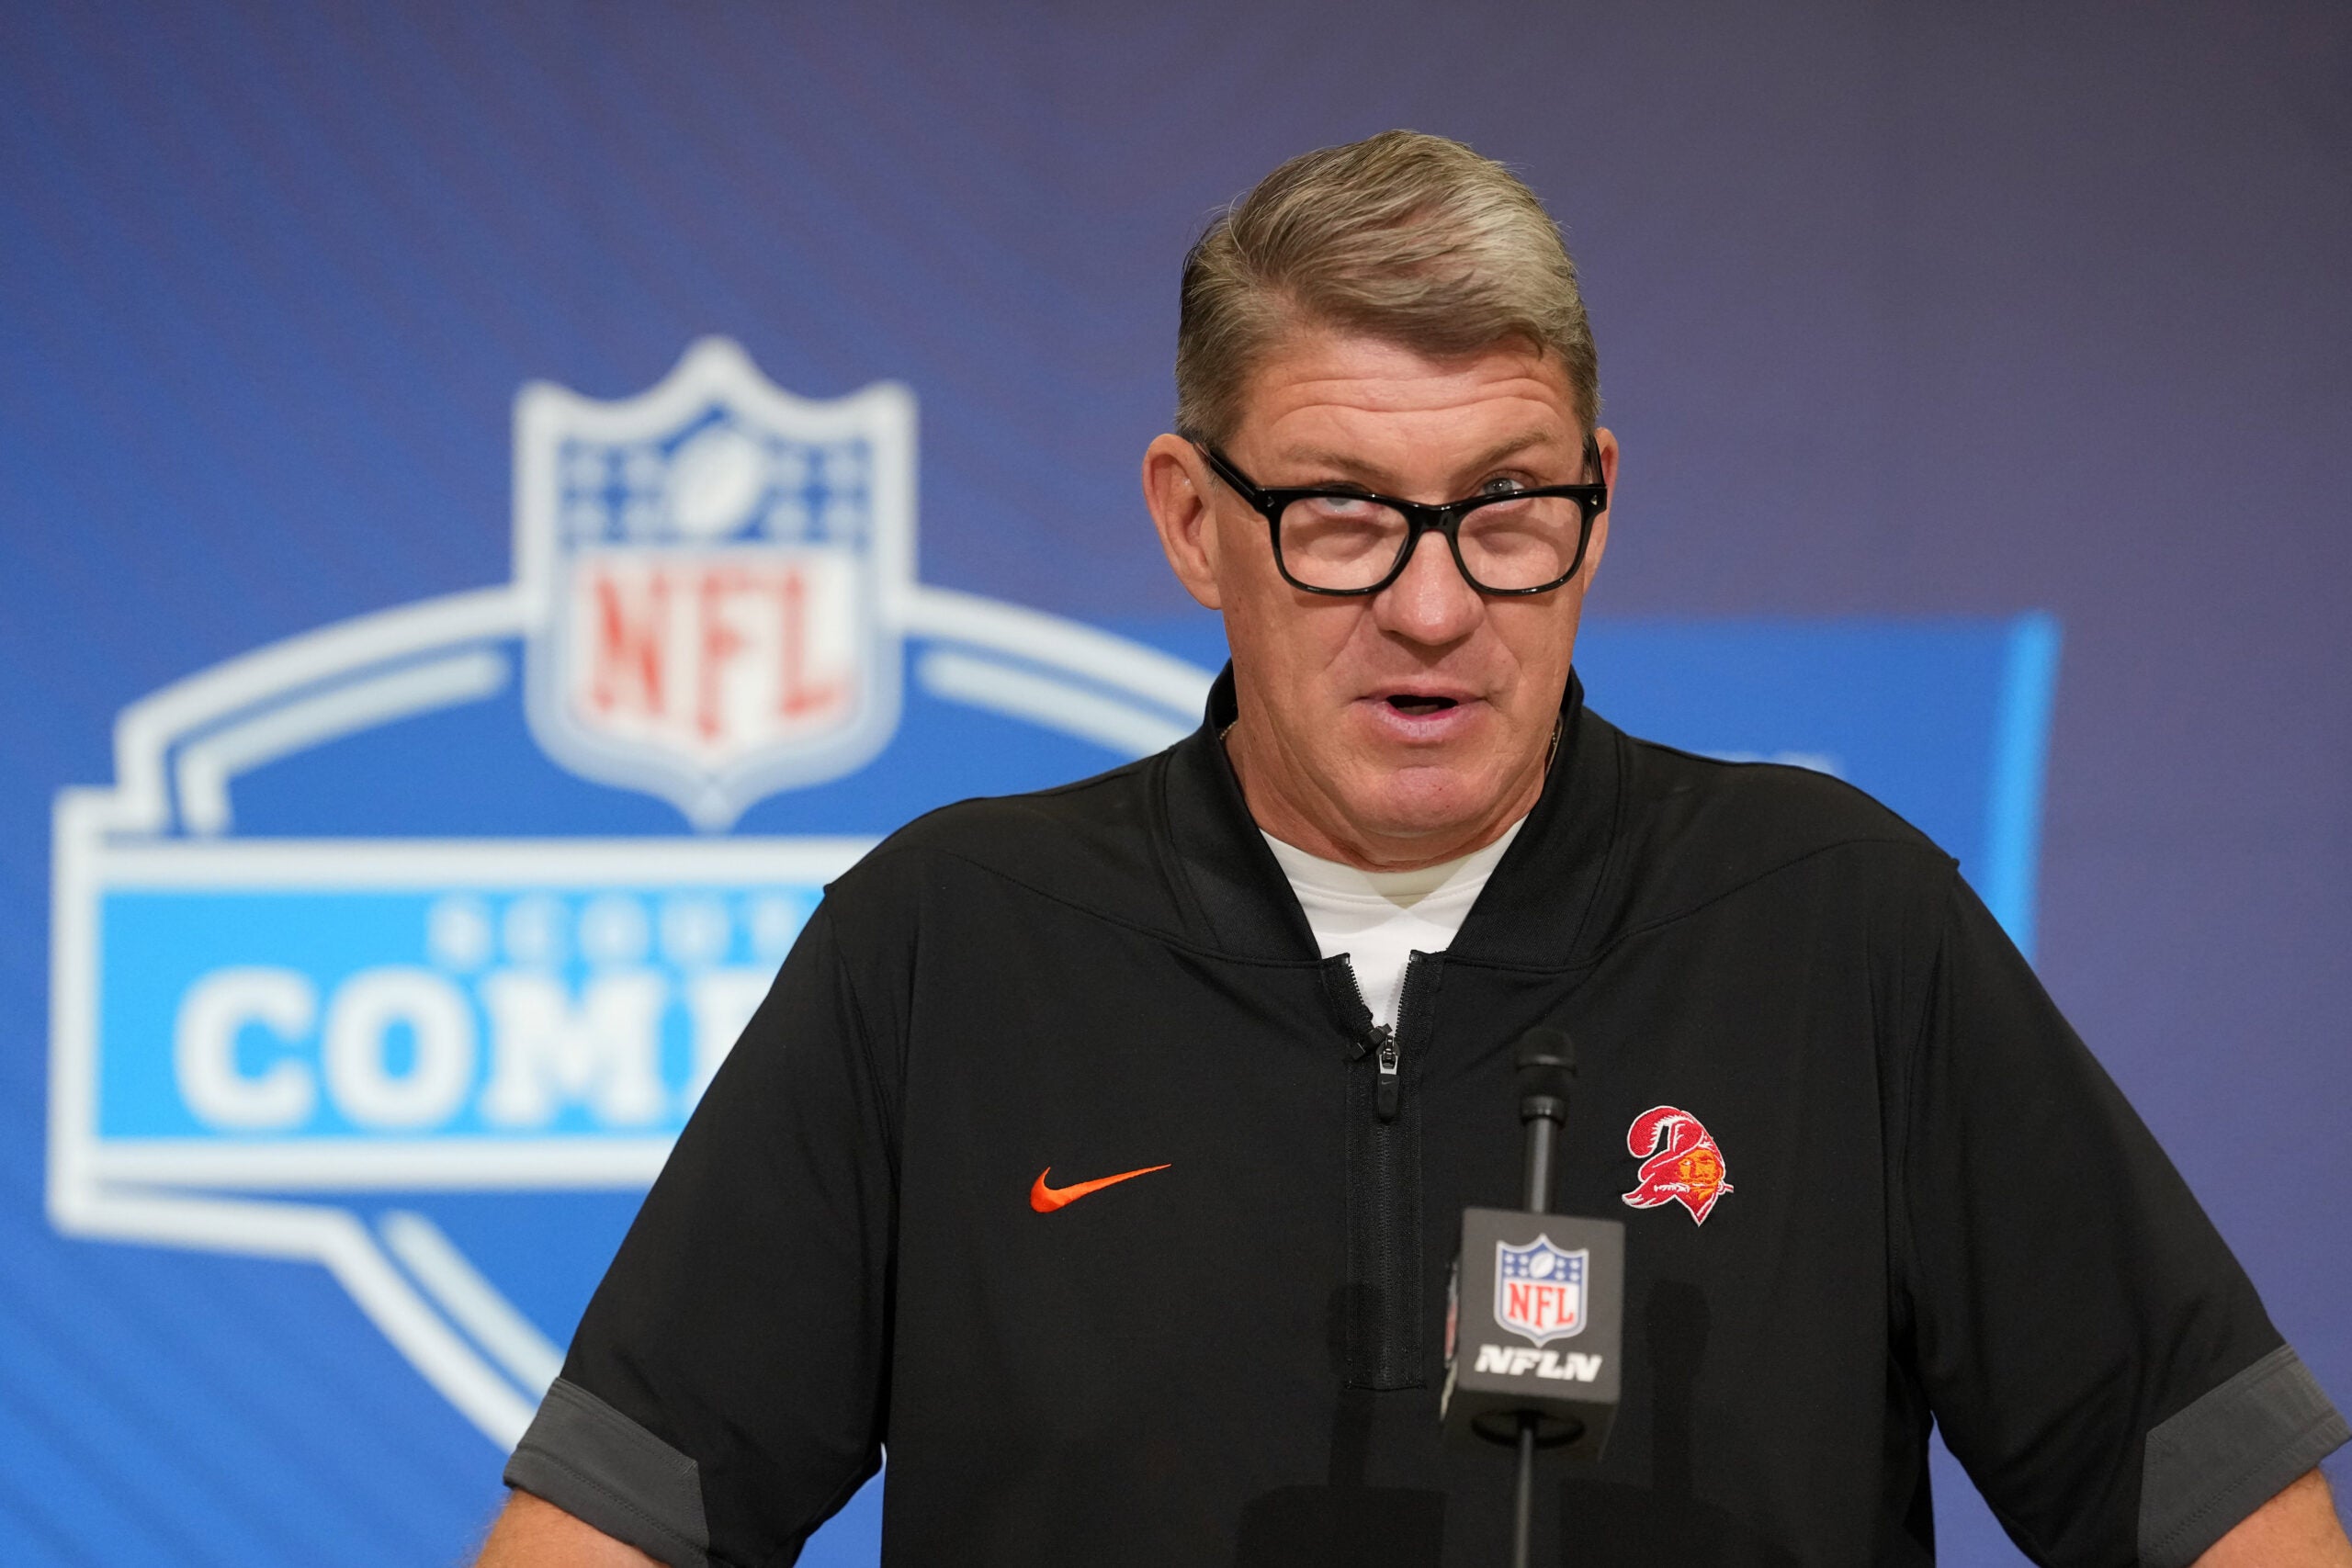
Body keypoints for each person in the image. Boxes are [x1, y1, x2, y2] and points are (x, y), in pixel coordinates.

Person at [476, 131, 2349, 1567]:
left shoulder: (1833, 922)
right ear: (1191, 521)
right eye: (1346, 516)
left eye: (1505, 506)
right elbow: (611, 1520)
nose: (1435, 607)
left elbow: (2215, 1499)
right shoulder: (947, 945)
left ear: (1596, 505)